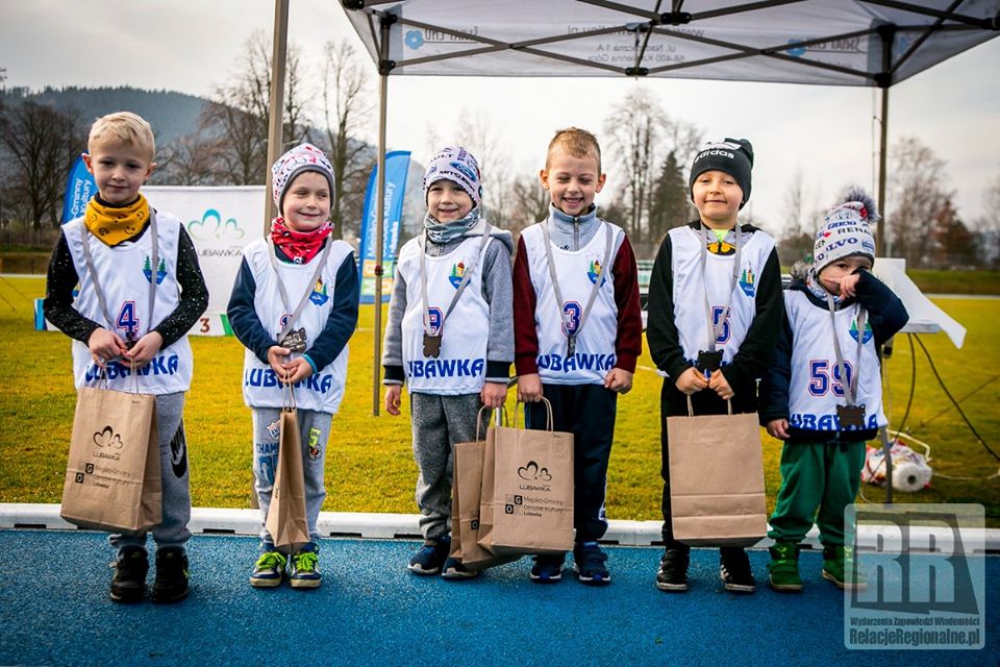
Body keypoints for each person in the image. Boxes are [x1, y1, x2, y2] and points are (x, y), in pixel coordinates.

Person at [44, 111, 209, 603]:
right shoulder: (74, 236)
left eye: (132, 166)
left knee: (167, 468)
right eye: (108, 163)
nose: (119, 174)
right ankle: (129, 551)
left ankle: (172, 550)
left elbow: (196, 297)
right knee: (116, 463)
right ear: (88, 163)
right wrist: (91, 332)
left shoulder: (170, 230)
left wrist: (159, 337)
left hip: (163, 375)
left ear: (149, 170)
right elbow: (55, 304)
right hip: (105, 379)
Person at [645, 138, 783, 594]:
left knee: (733, 467)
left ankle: (733, 552)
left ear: (744, 192)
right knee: (677, 468)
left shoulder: (761, 247)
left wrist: (739, 372)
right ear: (693, 190)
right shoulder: (676, 242)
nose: (715, 189)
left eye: (728, 181)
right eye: (705, 180)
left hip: (734, 383)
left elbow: (769, 319)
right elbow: (659, 314)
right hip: (683, 381)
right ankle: (676, 549)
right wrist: (675, 366)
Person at [760, 188, 908, 592]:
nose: (850, 275)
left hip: (852, 423)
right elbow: (776, 360)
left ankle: (838, 553)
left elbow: (898, 314)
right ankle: (785, 550)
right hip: (806, 420)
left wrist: (866, 284)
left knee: (843, 494)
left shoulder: (869, 307)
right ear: (820, 261)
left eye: (861, 267)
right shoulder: (793, 302)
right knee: (799, 491)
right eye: (841, 265)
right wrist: (773, 410)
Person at [513, 127, 643, 586]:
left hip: (596, 380)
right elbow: (521, 311)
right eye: (564, 178)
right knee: (543, 467)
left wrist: (626, 362)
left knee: (592, 464)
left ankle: (588, 542)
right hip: (544, 383)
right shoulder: (530, 240)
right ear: (544, 178)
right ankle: (548, 544)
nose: (574, 188)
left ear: (600, 182)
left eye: (584, 179)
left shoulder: (614, 240)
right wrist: (526, 369)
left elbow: (629, 308)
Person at [228, 143, 359, 590]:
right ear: (280, 197)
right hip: (269, 384)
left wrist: (312, 360)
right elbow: (239, 310)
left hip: (317, 387)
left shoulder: (340, 256)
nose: (312, 203)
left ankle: (304, 545)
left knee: (309, 471)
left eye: (322, 194)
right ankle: (270, 542)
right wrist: (267, 348)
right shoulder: (256, 255)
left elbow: (344, 318)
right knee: (268, 469)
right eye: (301, 192)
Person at [382, 146, 514, 580]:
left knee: (469, 462)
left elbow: (502, 314)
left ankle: (467, 538)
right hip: (424, 382)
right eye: (436, 188)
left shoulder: (489, 247)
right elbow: (399, 317)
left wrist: (498, 375)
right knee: (430, 462)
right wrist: (393, 375)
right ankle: (435, 536)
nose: (446, 198)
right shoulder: (409, 252)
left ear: (474, 195)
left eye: (457, 189)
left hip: (470, 385)